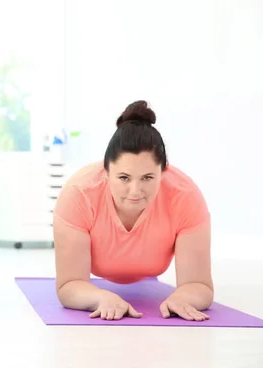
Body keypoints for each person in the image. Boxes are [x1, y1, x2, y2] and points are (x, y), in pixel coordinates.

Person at [53, 100, 213, 322]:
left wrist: (185, 297)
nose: (135, 191)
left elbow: (200, 284)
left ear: (163, 171)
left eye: (148, 178)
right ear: (106, 171)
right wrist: (100, 298)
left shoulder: (185, 197)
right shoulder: (78, 194)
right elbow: (69, 285)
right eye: (124, 178)